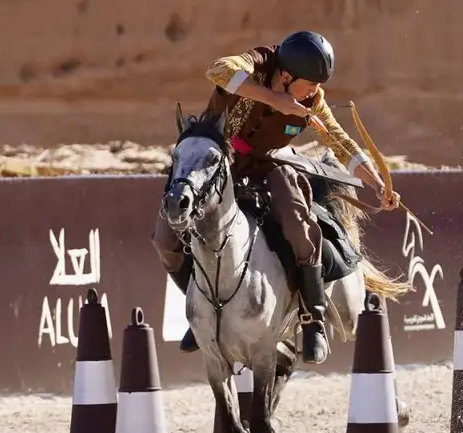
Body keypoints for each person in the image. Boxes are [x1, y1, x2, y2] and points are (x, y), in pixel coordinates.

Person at [152, 30, 400, 364]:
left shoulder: (313, 101)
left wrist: (376, 183)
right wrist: (273, 100)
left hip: (266, 165)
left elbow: (339, 141)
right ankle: (199, 313)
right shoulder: (255, 64)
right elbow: (218, 70)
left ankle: (312, 320)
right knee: (166, 238)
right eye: (310, 83)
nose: (315, 92)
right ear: (285, 75)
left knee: (301, 228)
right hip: (211, 166)